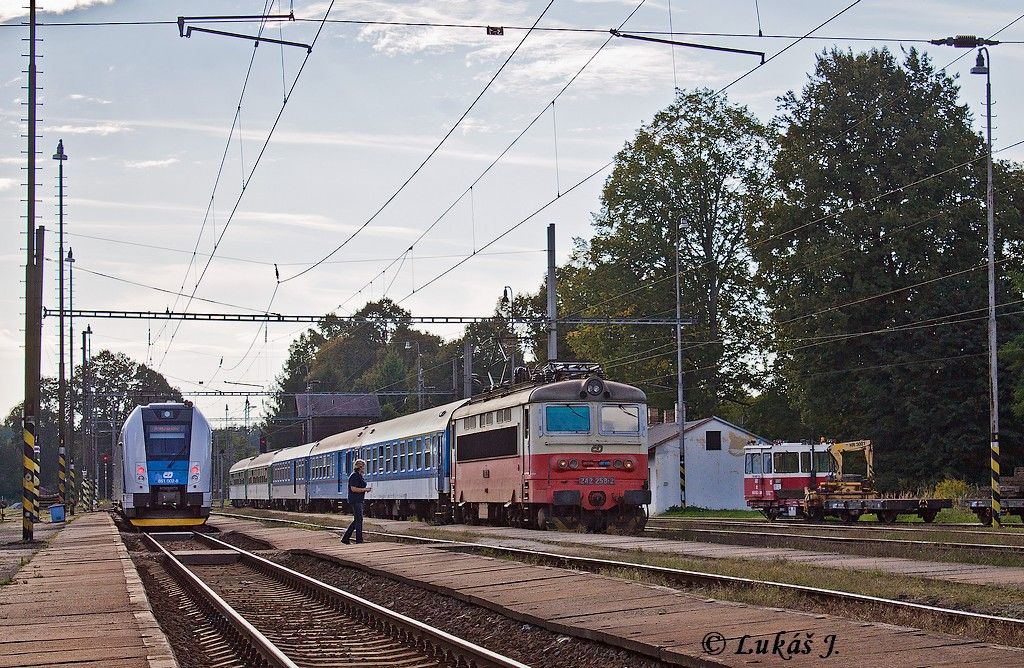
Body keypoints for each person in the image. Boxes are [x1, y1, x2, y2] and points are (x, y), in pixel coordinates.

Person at [342, 459, 371, 544]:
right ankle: (359, 540)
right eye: (363, 467)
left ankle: (346, 538)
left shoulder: (359, 475)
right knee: (359, 519)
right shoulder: (354, 476)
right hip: (355, 499)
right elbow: (353, 489)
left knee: (357, 520)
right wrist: (365, 489)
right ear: (360, 467)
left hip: (359, 499)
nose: (364, 469)